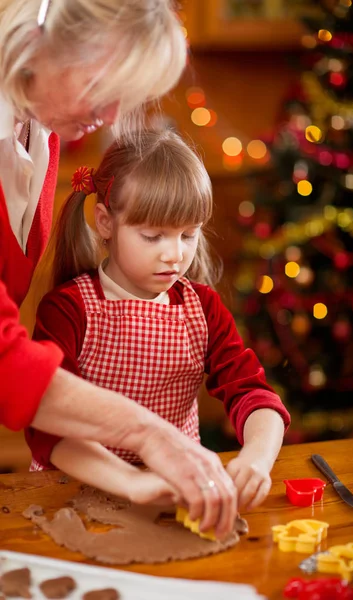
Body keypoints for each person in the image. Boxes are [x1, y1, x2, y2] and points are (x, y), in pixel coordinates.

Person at [0, 0, 238, 539]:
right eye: (104, 85)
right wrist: (152, 436)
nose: (111, 116)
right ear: (41, 40)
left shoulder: (43, 134)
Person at [26, 128, 291, 514]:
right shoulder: (69, 309)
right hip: (70, 492)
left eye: (189, 235)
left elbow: (252, 394)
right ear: (105, 222)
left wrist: (257, 458)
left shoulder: (202, 309)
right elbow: (48, 426)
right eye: (153, 236)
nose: (175, 255)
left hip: (172, 496)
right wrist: (131, 481)